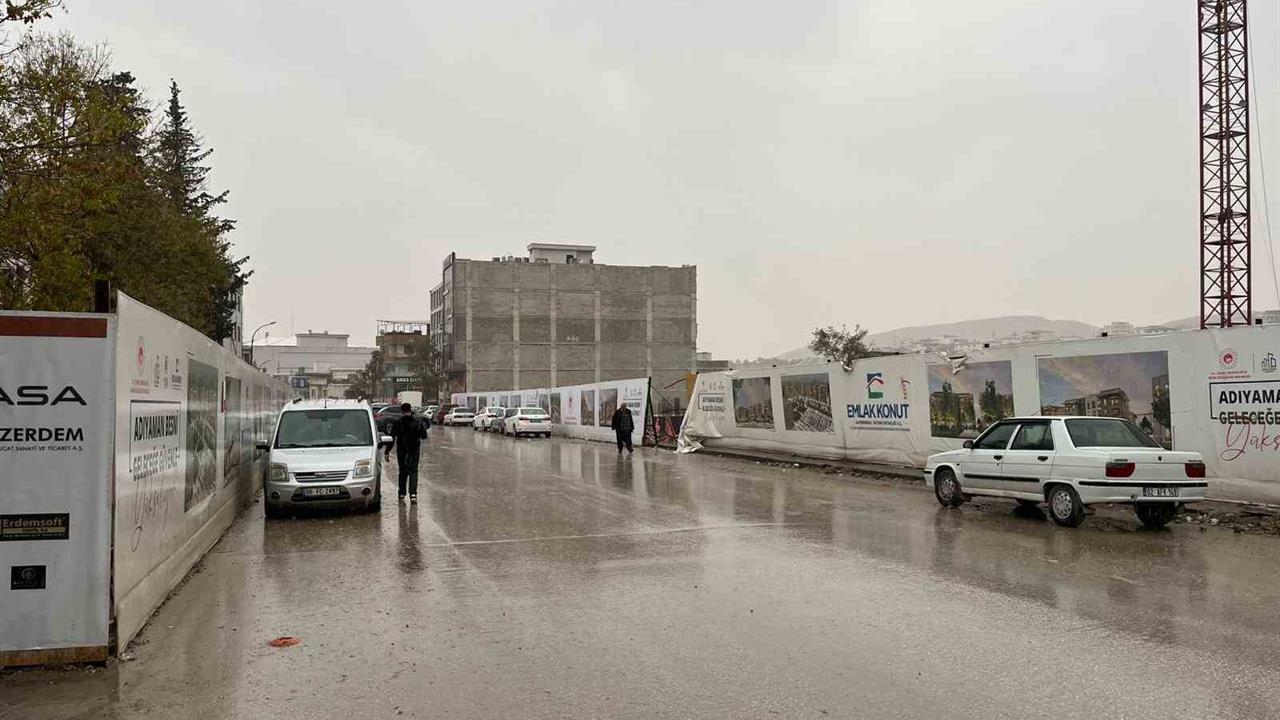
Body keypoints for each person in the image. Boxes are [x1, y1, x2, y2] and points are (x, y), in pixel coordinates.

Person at [385, 402, 428, 502]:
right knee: (413, 472)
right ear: (410, 409)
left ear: (402, 410)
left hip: (402, 451)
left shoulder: (398, 422)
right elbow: (424, 436)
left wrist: (387, 451)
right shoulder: (417, 421)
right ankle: (413, 494)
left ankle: (401, 494)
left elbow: (392, 438)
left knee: (402, 472)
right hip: (414, 451)